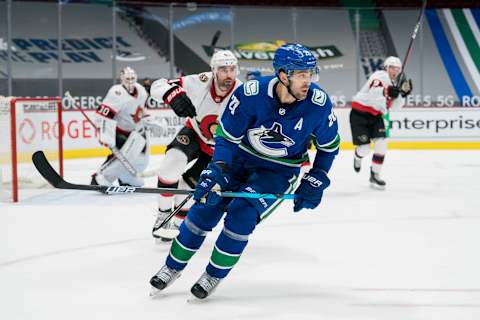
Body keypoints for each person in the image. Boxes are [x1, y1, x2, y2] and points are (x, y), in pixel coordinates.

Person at [149, 43, 340, 299]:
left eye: (310, 74)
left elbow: (329, 147)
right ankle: (171, 267)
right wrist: (218, 168)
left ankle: (214, 273)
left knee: (241, 215)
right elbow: (227, 138)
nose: (309, 81)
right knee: (205, 207)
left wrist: (317, 177)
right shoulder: (251, 94)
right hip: (239, 160)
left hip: (278, 171)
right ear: (283, 75)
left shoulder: (319, 104)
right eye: (301, 74)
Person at [149, 50, 242, 242]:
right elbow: (157, 85)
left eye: (232, 69)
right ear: (213, 70)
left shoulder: (243, 94)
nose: (228, 74)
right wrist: (172, 95)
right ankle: (163, 213)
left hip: (220, 150)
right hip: (195, 135)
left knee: (191, 190)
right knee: (171, 163)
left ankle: (175, 222)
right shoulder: (200, 82)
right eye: (223, 69)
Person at [349, 56, 412, 189]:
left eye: (397, 69)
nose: (394, 71)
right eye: (392, 68)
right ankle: (357, 156)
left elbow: (394, 108)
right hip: (360, 115)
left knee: (382, 144)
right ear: (386, 68)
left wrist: (401, 96)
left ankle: (375, 174)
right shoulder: (379, 76)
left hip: (376, 116)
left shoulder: (394, 84)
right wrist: (387, 92)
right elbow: (374, 97)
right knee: (364, 149)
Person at [91, 66, 150, 187]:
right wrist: (105, 134)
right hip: (118, 131)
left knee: (142, 159)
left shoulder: (142, 91)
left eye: (132, 78)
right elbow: (103, 115)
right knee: (122, 156)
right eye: (127, 78)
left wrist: (150, 120)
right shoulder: (116, 92)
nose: (130, 81)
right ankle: (99, 178)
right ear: (122, 79)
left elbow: (141, 110)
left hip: (134, 131)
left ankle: (126, 179)